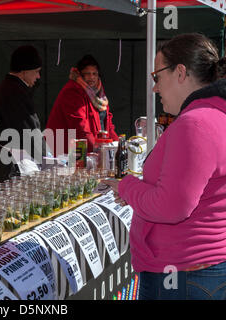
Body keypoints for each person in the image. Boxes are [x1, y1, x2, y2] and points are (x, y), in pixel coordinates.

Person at [104, 33, 226, 300]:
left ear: (180, 72)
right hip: (196, 272)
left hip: (182, 275)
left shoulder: (196, 123)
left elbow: (172, 207)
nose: (155, 88)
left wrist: (126, 186)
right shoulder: (215, 114)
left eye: (157, 77)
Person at [0, 45, 47, 187]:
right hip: (14, 168)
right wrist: (46, 161)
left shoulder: (11, 88)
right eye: (36, 72)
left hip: (11, 164)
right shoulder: (14, 92)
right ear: (24, 71)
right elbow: (29, 132)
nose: (38, 76)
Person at [46, 54, 118, 155]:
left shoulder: (99, 93)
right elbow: (80, 127)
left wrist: (118, 146)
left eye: (94, 74)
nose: (91, 77)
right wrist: (100, 151)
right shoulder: (73, 91)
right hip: (67, 151)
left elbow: (108, 125)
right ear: (80, 75)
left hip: (90, 149)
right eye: (87, 74)